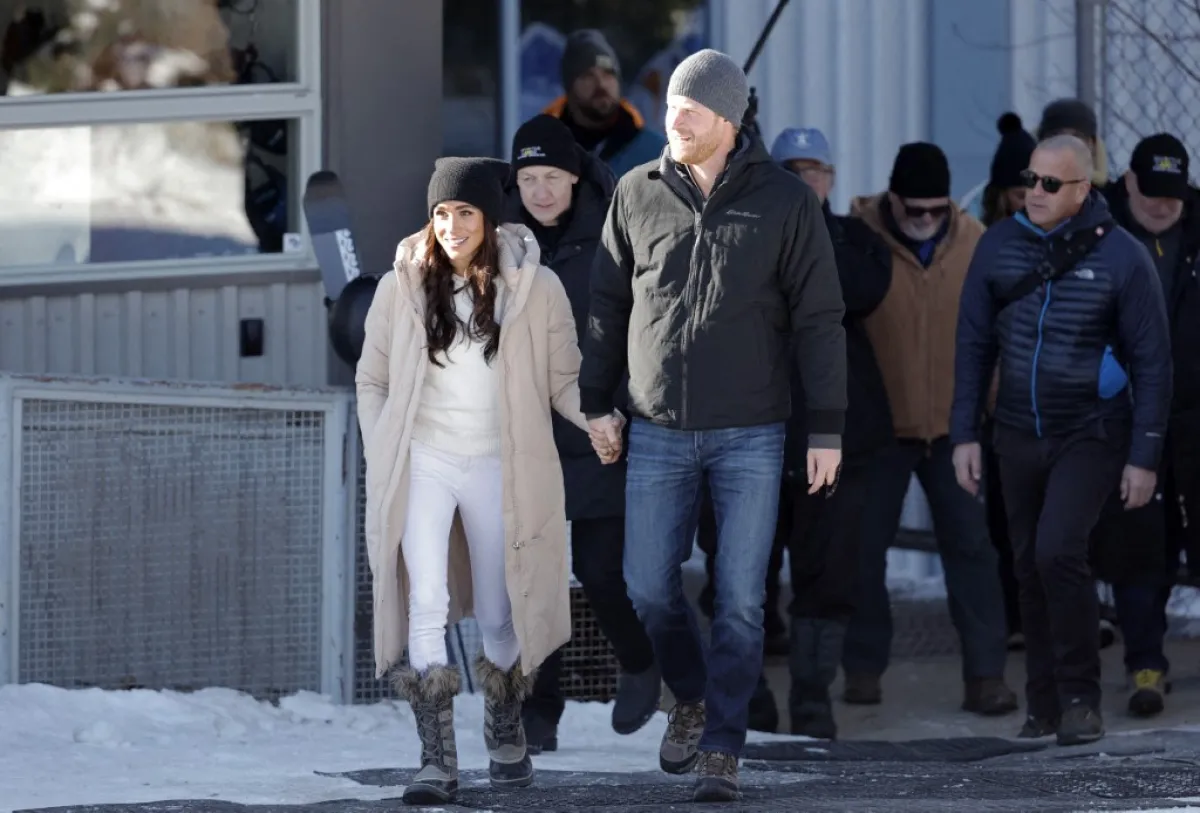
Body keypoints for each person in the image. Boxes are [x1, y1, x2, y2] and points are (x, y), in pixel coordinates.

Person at [581, 49, 847, 802]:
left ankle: (722, 747)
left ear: (728, 121)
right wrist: (597, 401)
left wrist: (826, 428)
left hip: (752, 431)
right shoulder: (634, 192)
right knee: (646, 586)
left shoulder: (786, 203)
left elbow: (821, 320)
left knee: (738, 596)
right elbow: (606, 305)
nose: (675, 121)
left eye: (690, 111)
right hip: (658, 426)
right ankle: (692, 695)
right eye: (670, 108)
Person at [355, 156, 622, 805]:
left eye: (464, 212)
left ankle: (505, 720)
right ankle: (436, 758)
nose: (450, 225)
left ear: (489, 217)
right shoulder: (403, 284)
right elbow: (372, 377)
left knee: (501, 612)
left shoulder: (535, 287)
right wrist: (382, 443)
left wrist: (595, 418)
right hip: (424, 460)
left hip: (499, 463)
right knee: (427, 599)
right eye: (441, 213)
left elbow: (563, 378)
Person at [951, 135, 1172, 746]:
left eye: (1052, 183)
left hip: (1091, 431)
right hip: (1016, 431)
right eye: (1031, 179)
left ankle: (1080, 696)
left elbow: (1154, 363)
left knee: (1057, 552)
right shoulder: (998, 245)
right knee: (1026, 566)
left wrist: (1144, 457)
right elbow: (973, 345)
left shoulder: (1124, 258)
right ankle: (1043, 702)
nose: (1036, 192)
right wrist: (964, 433)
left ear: (1084, 189)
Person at [501, 114, 661, 751]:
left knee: (601, 573)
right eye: (529, 177)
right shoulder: (502, 239)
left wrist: (619, 408)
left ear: (575, 177)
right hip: (529, 431)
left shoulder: (614, 231)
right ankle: (541, 709)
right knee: (535, 578)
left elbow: (640, 326)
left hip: (600, 421)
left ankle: (640, 662)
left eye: (553, 177)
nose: (541, 190)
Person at [844, 142, 1017, 716]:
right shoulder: (859, 240)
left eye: (936, 210)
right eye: (914, 210)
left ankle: (986, 676)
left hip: (953, 429)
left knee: (972, 549)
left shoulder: (975, 245)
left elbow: (994, 335)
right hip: (880, 431)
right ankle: (863, 668)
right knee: (864, 554)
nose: (924, 220)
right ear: (893, 198)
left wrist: (987, 414)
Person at [769, 126, 894, 739]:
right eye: (790, 169)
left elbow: (860, 291)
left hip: (832, 441)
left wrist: (811, 228)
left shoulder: (855, 239)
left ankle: (813, 698)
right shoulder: (747, 235)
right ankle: (752, 701)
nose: (803, 179)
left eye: (813, 169)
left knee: (830, 575)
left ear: (831, 178)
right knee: (743, 580)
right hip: (757, 437)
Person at [1095, 132, 1200, 717]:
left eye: (1175, 194)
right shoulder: (1099, 236)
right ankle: (1145, 664)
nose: (1164, 205)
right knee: (1139, 548)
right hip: (1127, 419)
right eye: (1152, 193)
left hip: (1195, 414)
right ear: (1128, 182)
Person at [980, 112, 1038, 651]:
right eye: (1016, 187)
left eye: (1032, 185)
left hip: (1054, 398)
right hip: (999, 404)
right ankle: (1016, 616)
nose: (1025, 196)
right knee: (1006, 517)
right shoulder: (986, 244)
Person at [544, 29, 666, 178]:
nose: (601, 84)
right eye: (588, 75)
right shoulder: (545, 154)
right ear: (569, 87)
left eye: (608, 74)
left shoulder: (655, 153)